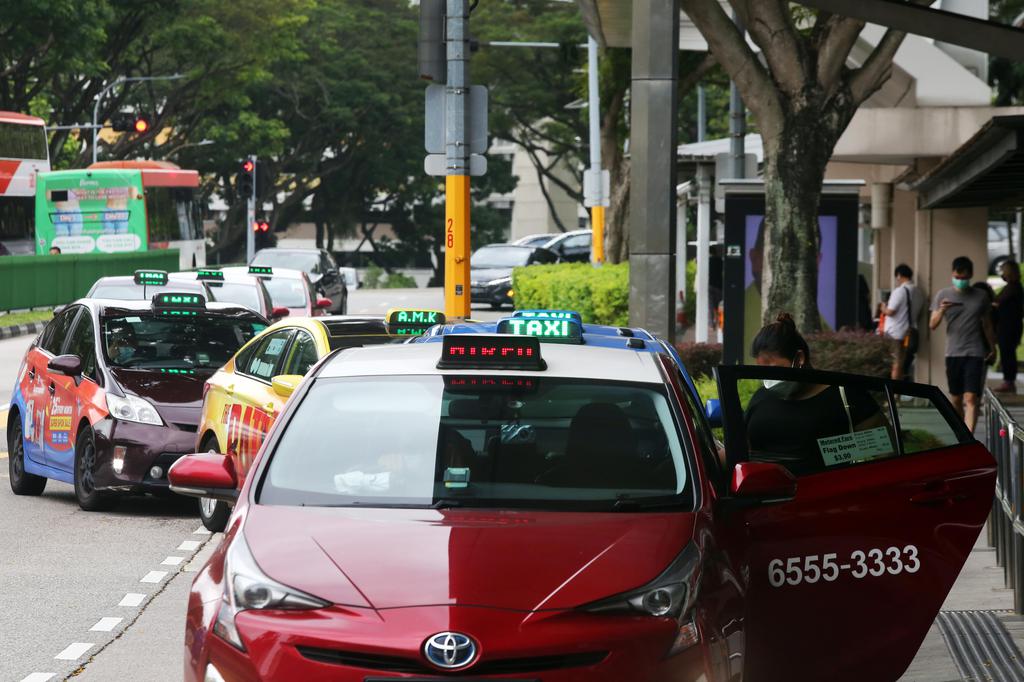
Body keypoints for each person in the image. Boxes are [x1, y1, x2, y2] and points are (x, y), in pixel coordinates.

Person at [744, 313, 885, 476]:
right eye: (762, 370)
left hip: (823, 496)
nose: (767, 378)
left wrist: (835, 452)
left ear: (799, 358)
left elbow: (883, 450)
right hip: (760, 496)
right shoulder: (761, 397)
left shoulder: (845, 396)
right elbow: (738, 450)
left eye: (772, 367)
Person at [929, 256, 996, 432]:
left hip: (975, 352)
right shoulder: (943, 295)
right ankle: (962, 433)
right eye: (957, 278)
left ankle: (969, 439)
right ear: (952, 274)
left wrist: (992, 347)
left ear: (971, 275)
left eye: (964, 278)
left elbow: (987, 324)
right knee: (956, 399)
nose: (960, 281)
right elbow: (932, 325)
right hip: (953, 353)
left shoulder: (981, 296)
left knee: (971, 398)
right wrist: (942, 310)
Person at [880, 264, 925, 381]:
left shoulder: (899, 291)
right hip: (910, 333)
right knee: (903, 363)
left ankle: (894, 393)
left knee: (896, 364)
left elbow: (890, 311)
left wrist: (883, 308)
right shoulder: (919, 292)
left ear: (899, 275)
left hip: (895, 333)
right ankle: (899, 392)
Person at [993, 260, 1023, 392]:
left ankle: (1008, 381)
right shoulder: (1014, 287)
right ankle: (1008, 380)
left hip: (1009, 327)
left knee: (1007, 354)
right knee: (1008, 353)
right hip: (1011, 326)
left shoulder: (1013, 287)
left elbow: (998, 301)